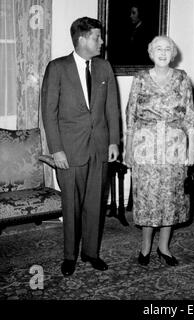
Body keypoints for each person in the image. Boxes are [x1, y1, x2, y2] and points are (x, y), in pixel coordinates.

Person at [41, 17, 120, 277]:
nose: (101, 41)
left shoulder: (104, 67)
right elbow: (48, 113)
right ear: (82, 39)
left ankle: (91, 253)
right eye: (98, 37)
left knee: (95, 204)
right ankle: (69, 256)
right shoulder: (57, 68)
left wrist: (113, 141)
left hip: (99, 148)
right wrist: (56, 149)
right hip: (69, 150)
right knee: (71, 206)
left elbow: (112, 109)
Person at [125, 35, 194, 267]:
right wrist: (128, 149)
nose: (163, 52)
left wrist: (193, 149)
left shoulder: (182, 79)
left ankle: (164, 247)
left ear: (173, 53)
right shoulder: (140, 78)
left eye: (168, 49)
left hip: (174, 146)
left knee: (171, 198)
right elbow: (130, 116)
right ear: (151, 52)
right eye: (158, 48)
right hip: (145, 145)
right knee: (147, 198)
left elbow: (190, 117)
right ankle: (145, 246)